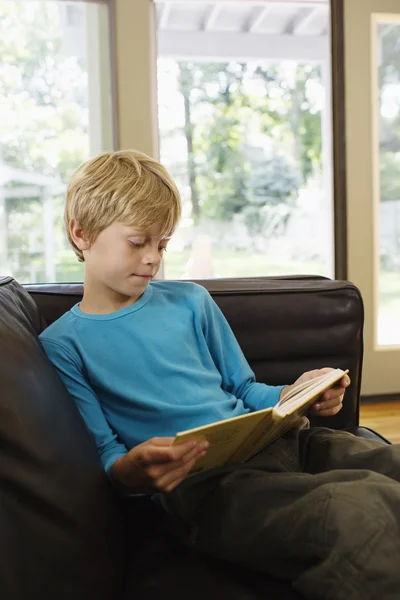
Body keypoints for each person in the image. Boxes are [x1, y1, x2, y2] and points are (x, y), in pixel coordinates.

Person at [40, 149, 400, 599]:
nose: (153, 258)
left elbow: (246, 390)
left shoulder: (191, 301)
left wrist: (300, 392)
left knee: (389, 466)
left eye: (163, 244)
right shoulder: (63, 345)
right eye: (138, 242)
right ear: (82, 233)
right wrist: (131, 471)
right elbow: (107, 456)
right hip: (207, 487)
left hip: (280, 442)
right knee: (362, 511)